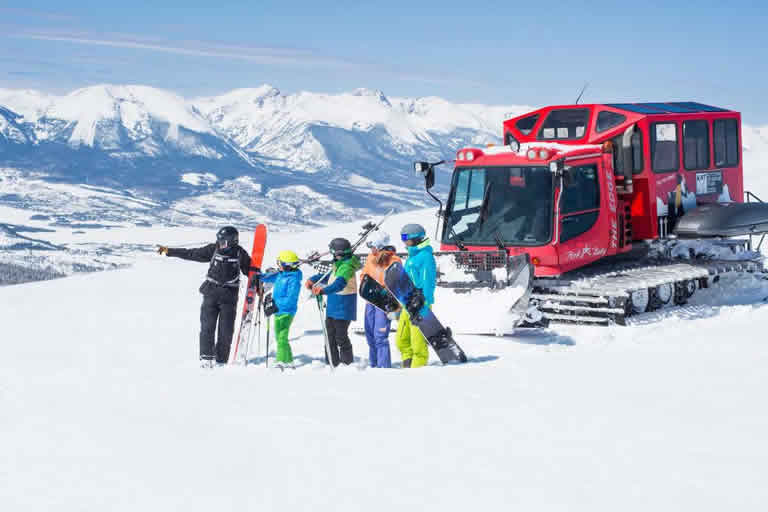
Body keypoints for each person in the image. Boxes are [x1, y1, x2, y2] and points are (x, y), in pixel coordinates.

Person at [157, 226, 252, 368]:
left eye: (223, 241)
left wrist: (259, 280)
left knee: (226, 331)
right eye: (219, 240)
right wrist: (169, 251)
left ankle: (221, 360)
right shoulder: (213, 249)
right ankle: (206, 358)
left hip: (229, 297)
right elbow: (192, 253)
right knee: (207, 327)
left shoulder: (240, 253)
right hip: (210, 293)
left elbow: (250, 270)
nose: (220, 243)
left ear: (232, 241)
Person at [306, 238, 361, 366]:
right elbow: (329, 276)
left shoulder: (347, 267)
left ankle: (347, 364)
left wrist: (322, 291)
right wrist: (313, 279)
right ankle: (332, 362)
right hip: (333, 306)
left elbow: (338, 284)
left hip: (343, 306)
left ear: (338, 253)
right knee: (329, 336)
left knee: (340, 337)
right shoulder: (339, 263)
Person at [396, 224, 436, 368]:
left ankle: (418, 372)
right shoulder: (412, 256)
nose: (403, 241)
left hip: (420, 304)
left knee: (417, 343)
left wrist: (422, 300)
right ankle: (407, 366)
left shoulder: (425, 256)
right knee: (401, 340)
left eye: (405, 237)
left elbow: (428, 281)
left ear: (415, 238)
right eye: (402, 237)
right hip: (408, 303)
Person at [360, 233, 401, 368]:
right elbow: (364, 275)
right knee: (370, 335)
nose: (371, 250)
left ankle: (383, 368)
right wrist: (366, 283)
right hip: (370, 300)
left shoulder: (394, 260)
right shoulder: (371, 257)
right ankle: (374, 365)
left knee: (380, 336)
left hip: (383, 302)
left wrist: (384, 290)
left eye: (373, 247)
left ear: (380, 246)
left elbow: (396, 281)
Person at [260, 250, 303, 368]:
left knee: (281, 337)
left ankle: (281, 360)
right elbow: (269, 278)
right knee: (280, 336)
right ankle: (288, 360)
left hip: (286, 312)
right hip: (279, 311)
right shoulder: (281, 274)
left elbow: (291, 298)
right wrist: (259, 277)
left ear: (286, 265)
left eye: (280, 263)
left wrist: (275, 305)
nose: (278, 266)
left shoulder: (293, 280)